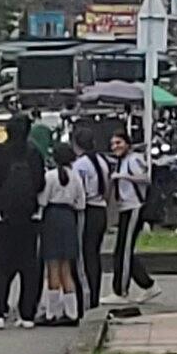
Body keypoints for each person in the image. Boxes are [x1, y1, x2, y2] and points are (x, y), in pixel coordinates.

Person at [0, 115, 45, 329]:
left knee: (0, 267)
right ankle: (27, 314)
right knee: (29, 266)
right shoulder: (34, 153)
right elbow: (40, 184)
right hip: (30, 219)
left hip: (0, 218)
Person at [101, 131, 162, 304]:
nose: (115, 147)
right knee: (121, 251)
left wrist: (124, 176)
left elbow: (145, 178)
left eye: (119, 143)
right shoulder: (120, 162)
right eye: (113, 144)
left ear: (127, 144)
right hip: (124, 208)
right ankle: (148, 285)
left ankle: (121, 291)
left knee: (124, 251)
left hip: (134, 207)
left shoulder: (134, 160)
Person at [38, 143, 85, 323]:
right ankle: (72, 313)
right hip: (68, 218)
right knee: (66, 267)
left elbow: (42, 200)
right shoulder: (76, 177)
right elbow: (81, 203)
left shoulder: (49, 176)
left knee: (52, 267)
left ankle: (52, 313)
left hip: (52, 217)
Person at [72, 128, 110, 311]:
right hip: (101, 208)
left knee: (84, 256)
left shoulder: (80, 165)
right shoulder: (102, 161)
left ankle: (86, 296)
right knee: (94, 254)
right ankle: (95, 294)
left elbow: (77, 191)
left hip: (87, 210)